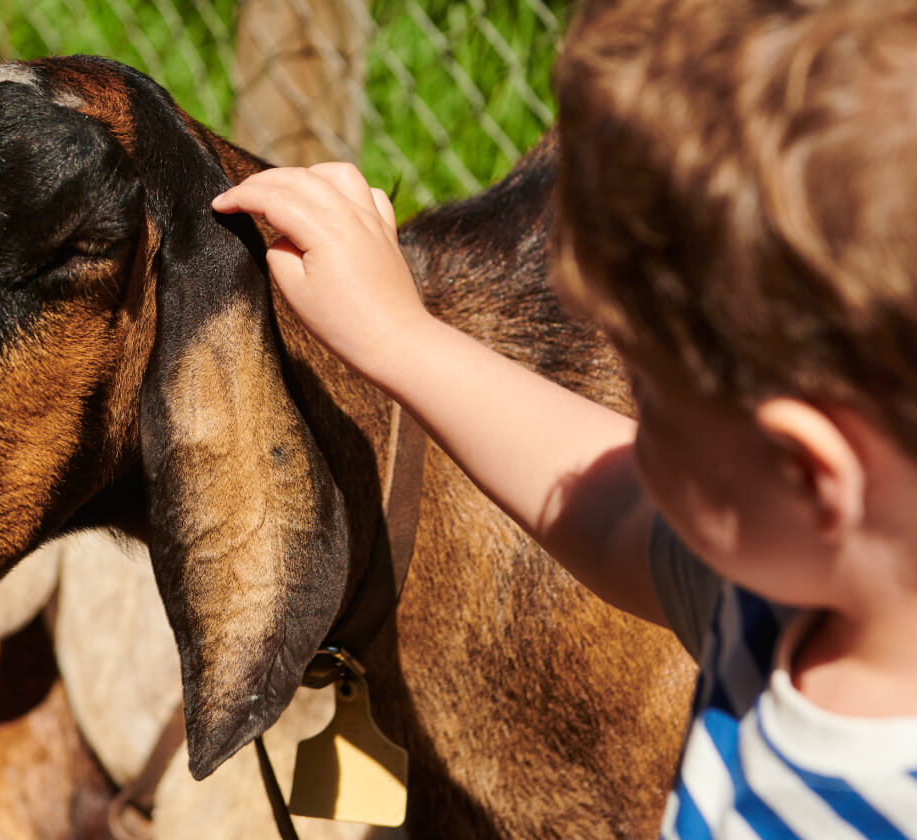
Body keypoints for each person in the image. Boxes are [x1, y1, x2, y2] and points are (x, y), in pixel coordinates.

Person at [213, 0, 917, 836]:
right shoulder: (787, 588)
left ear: (806, 474)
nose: (624, 424)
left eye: (645, 398)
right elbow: (618, 515)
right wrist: (397, 337)